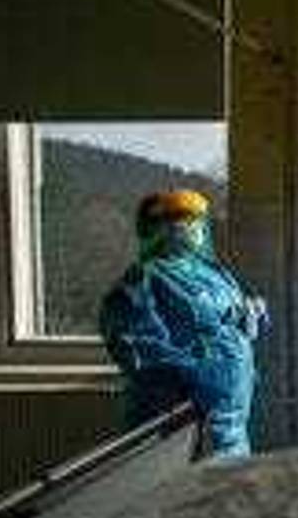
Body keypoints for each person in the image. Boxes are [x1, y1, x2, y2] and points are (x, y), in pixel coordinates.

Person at [100, 190, 267, 458]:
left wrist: (249, 316)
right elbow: (141, 352)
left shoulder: (216, 276)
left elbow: (232, 323)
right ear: (159, 228)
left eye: (196, 222)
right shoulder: (143, 281)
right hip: (177, 427)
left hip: (233, 425)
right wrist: (205, 372)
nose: (191, 229)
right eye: (181, 221)